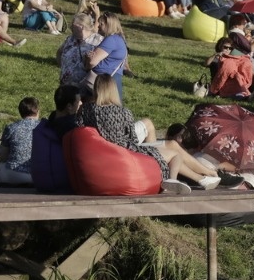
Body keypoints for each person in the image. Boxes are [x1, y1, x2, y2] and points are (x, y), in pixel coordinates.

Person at [75, 74, 223, 194]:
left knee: (170, 147)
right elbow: (132, 138)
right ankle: (179, 178)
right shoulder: (123, 112)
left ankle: (199, 178)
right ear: (113, 90)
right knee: (174, 153)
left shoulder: (86, 110)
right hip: (125, 151)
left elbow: (80, 127)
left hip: (104, 151)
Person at [0, 97, 41, 186]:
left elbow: (2, 155)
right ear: (37, 111)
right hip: (40, 175)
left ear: (20, 112)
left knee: (2, 164)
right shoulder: (45, 127)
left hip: (14, 174)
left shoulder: (11, 128)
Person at [85, 12, 128, 101]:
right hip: (112, 79)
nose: (98, 26)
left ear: (109, 24)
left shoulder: (111, 40)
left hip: (103, 81)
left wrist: (88, 61)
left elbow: (92, 62)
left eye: (101, 24)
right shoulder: (119, 39)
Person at [57, 12, 103, 89]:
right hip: (65, 85)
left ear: (81, 27)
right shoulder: (70, 39)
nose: (71, 27)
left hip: (86, 86)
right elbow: (59, 53)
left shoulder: (98, 41)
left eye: (73, 25)